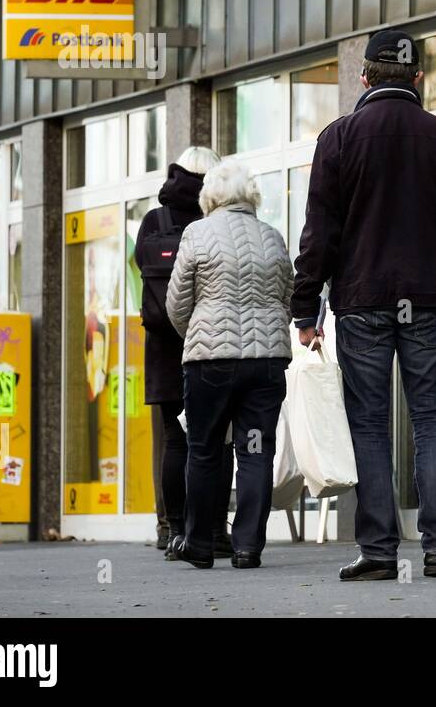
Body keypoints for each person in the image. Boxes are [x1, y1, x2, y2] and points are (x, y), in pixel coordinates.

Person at [292, 29, 436, 581]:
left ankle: (380, 550)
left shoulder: (338, 140)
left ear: (363, 78)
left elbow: (319, 237)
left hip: (361, 300)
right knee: (432, 417)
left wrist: (304, 309)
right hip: (427, 299)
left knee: (370, 424)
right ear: (419, 79)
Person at [164, 160, 294, 569]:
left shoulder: (197, 234)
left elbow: (176, 303)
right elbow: (288, 299)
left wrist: (201, 332)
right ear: (251, 195)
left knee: (203, 450)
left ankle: (199, 544)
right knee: (255, 450)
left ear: (211, 196)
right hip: (266, 363)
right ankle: (247, 547)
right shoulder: (272, 238)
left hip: (211, 364)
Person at [135, 146, 236, 560]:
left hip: (163, 347)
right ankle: (213, 528)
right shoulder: (216, 218)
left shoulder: (153, 221)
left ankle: (172, 529)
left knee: (176, 442)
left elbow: (141, 272)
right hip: (210, 344)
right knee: (217, 441)